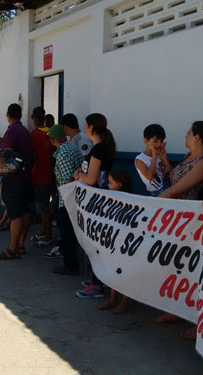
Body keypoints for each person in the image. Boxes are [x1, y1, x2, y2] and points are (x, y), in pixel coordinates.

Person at [157, 121, 203, 332]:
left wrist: (152, 205)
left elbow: (176, 190)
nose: (186, 136)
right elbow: (176, 180)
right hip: (176, 220)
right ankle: (177, 310)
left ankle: (196, 319)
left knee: (190, 269)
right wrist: (163, 158)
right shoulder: (190, 158)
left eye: (189, 133)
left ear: (197, 137)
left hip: (191, 222)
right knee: (176, 267)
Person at [73, 113, 116, 297]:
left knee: (95, 243)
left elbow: (91, 179)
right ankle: (97, 279)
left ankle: (97, 284)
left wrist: (78, 175)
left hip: (97, 203)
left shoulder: (99, 149)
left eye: (86, 125)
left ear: (91, 127)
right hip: (97, 201)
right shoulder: (102, 147)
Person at [0, 103, 33, 260]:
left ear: (7, 114)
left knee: (15, 215)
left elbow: (6, 154)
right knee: (24, 212)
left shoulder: (12, 131)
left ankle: (12, 248)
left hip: (13, 178)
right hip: (26, 177)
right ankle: (21, 245)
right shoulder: (25, 132)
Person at [47, 125, 83, 274]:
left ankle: (70, 265)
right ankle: (71, 262)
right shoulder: (73, 148)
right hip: (76, 197)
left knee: (67, 234)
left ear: (52, 140)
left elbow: (69, 178)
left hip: (67, 200)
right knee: (71, 233)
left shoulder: (63, 153)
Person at [98, 169, 133, 314]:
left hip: (125, 243)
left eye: (111, 182)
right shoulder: (110, 196)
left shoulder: (130, 200)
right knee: (113, 269)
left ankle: (125, 301)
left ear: (119, 184)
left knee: (126, 273)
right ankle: (113, 298)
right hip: (112, 240)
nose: (107, 184)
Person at [30, 107, 55, 246]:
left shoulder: (34, 134)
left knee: (43, 207)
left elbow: (33, 157)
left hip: (39, 175)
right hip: (51, 174)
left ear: (33, 117)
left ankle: (48, 235)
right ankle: (43, 231)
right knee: (47, 205)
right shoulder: (51, 132)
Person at [135, 124, 172, 196]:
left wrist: (164, 158)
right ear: (146, 141)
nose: (158, 144)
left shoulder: (160, 154)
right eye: (155, 141)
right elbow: (149, 177)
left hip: (168, 187)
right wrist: (154, 158)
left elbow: (171, 172)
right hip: (156, 192)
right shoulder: (140, 159)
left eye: (161, 141)